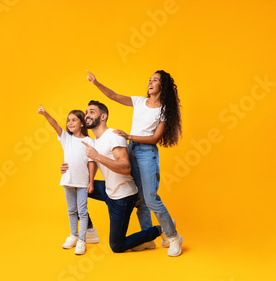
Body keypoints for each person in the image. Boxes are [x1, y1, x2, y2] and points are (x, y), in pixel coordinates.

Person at [86, 70, 183, 257]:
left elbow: (154, 138)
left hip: (147, 153)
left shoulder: (163, 110)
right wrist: (96, 83)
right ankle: (148, 239)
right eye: (150, 79)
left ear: (163, 86)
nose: (150, 82)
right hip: (132, 150)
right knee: (139, 199)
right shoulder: (139, 101)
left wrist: (128, 136)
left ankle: (173, 236)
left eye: (155, 80)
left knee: (151, 197)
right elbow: (113, 96)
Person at [62, 100, 162, 253]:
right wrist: (68, 170)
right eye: (87, 112)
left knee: (116, 246)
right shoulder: (94, 141)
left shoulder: (114, 136)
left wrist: (98, 156)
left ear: (103, 117)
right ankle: (88, 231)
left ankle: (158, 230)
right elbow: (90, 163)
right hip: (108, 190)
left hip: (122, 197)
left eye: (92, 112)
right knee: (76, 183)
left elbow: (125, 167)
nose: (87, 115)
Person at [37, 102, 97, 255]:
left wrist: (91, 182)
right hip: (68, 180)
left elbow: (92, 163)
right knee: (71, 210)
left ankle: (82, 240)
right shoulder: (66, 138)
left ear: (81, 123)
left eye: (74, 120)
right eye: (69, 120)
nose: (70, 123)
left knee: (82, 211)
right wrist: (45, 113)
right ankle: (74, 235)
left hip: (82, 182)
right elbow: (55, 125)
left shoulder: (89, 141)